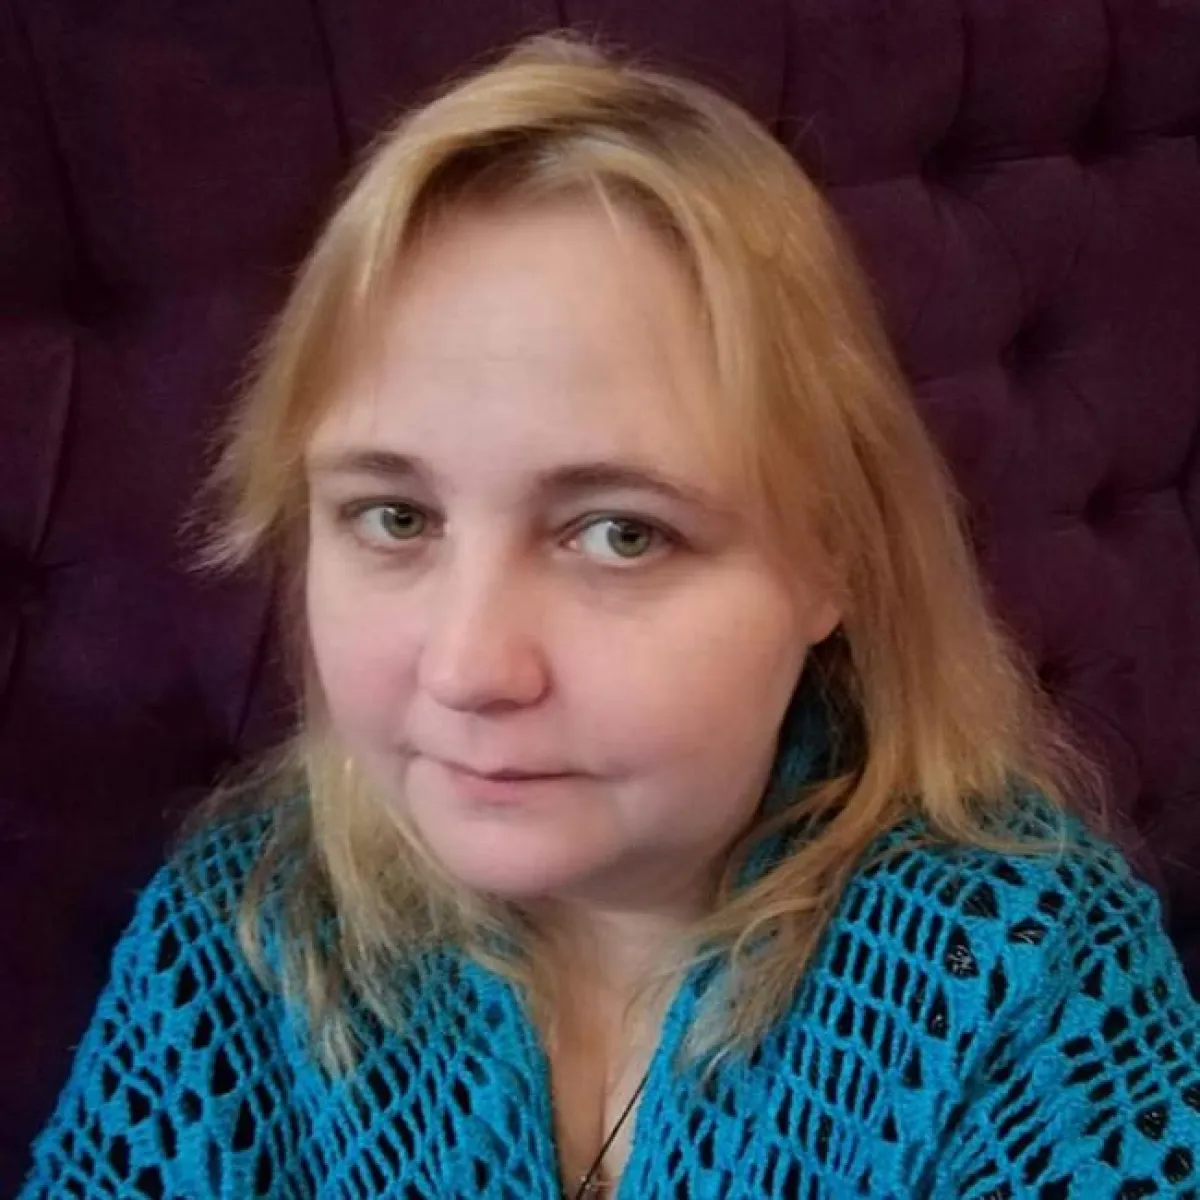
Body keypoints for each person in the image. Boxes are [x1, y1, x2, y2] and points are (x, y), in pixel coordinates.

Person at [21, 31, 1200, 1199]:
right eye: (394, 517)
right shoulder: (243, 941)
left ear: (832, 556)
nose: (469, 667)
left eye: (620, 534)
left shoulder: (1024, 976)